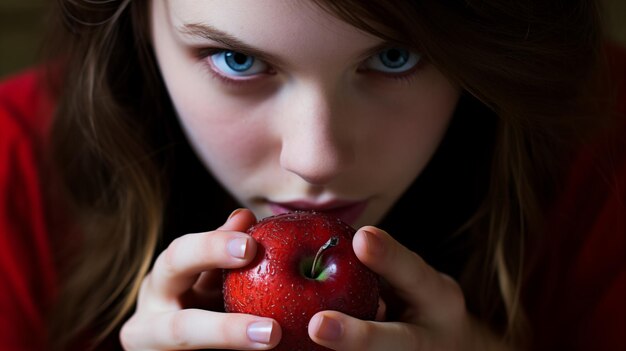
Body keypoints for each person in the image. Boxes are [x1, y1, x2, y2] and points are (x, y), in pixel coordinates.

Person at [0, 0, 624, 350]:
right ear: (138, 18)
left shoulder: (605, 142)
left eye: (393, 56)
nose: (316, 159)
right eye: (237, 59)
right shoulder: (11, 167)